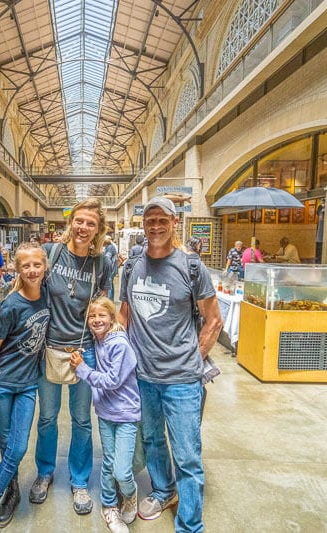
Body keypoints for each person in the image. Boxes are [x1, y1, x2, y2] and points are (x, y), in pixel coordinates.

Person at [0, 197, 111, 515]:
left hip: (83, 352)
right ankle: (45, 472)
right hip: (47, 350)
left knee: (81, 421)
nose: (83, 227)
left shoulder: (102, 264)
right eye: (79, 220)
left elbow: (103, 306)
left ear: (98, 229)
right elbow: (18, 290)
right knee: (47, 419)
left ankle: (79, 481)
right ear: (71, 222)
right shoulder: (52, 254)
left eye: (90, 223)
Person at [119, 196, 222, 533]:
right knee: (151, 440)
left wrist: (195, 358)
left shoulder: (191, 267)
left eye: (163, 220)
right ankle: (163, 489)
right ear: (144, 225)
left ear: (175, 223)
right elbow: (125, 314)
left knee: (187, 454)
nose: (156, 226)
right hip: (143, 376)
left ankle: (190, 525)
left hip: (182, 380)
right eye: (150, 220)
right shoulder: (132, 266)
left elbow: (213, 321)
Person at [0, 244, 50, 533]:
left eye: (37, 265)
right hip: (4, 385)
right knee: (8, 446)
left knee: (18, 446)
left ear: (45, 267)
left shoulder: (48, 299)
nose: (32, 270)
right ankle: (12, 491)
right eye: (26, 266)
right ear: (17, 270)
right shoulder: (12, 305)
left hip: (29, 385)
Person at [70, 296, 141, 533]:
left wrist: (82, 369)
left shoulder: (119, 344)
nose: (97, 320)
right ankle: (109, 506)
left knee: (122, 469)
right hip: (105, 413)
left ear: (112, 318)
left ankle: (130, 494)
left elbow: (112, 380)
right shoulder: (97, 340)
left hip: (126, 414)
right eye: (92, 316)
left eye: (102, 315)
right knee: (109, 462)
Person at [103, 235, 119, 300]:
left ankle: (109, 299)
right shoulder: (110, 246)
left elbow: (107, 259)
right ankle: (111, 299)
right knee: (111, 284)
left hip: (111, 269)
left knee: (108, 284)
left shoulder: (109, 247)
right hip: (113, 268)